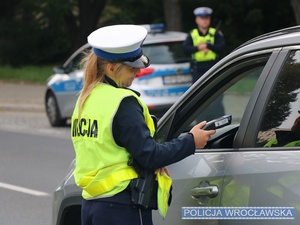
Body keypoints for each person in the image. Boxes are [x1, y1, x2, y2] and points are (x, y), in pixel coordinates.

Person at [70, 24, 216, 225]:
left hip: (91, 205)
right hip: (121, 208)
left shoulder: (85, 99)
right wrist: (191, 141)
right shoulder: (122, 103)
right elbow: (150, 156)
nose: (138, 72)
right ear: (112, 68)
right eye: (132, 67)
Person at [183, 6, 225, 83]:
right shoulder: (192, 34)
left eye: (207, 18)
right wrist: (199, 48)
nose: (205, 21)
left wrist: (208, 46)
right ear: (197, 20)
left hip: (213, 68)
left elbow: (221, 48)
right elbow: (185, 49)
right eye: (202, 18)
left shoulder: (215, 33)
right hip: (198, 70)